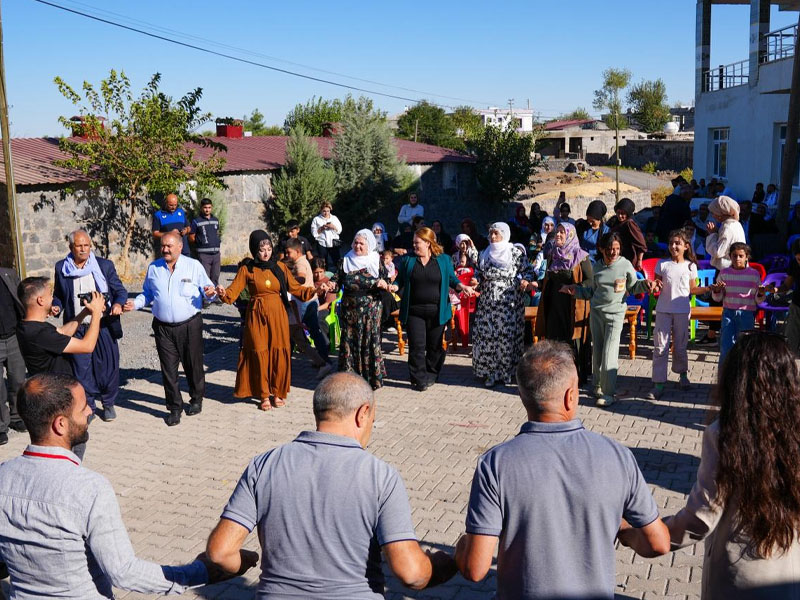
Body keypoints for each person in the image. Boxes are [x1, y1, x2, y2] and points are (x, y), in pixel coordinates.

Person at [0, 373, 257, 598]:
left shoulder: (3, 476)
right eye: (82, 409)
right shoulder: (88, 489)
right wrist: (200, 572)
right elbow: (123, 572)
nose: (91, 411)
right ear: (60, 424)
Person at [204, 372, 457, 598]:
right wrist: (444, 566)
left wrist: (245, 560)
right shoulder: (381, 476)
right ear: (363, 413)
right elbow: (411, 573)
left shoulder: (265, 465)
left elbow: (220, 552)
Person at [456, 341, 669, 599]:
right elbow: (659, 543)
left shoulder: (495, 464)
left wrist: (462, 548)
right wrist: (621, 530)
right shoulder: (617, 455)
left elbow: (475, 569)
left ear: (523, 396)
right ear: (571, 397)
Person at [662, 332, 800, 599]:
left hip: (738, 578)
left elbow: (700, 519)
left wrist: (653, 533)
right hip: (789, 578)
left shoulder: (725, 433)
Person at [215, 231, 318, 410]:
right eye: (262, 250)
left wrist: (318, 290)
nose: (266, 253)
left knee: (278, 351)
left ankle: (277, 392)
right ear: (255, 250)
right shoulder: (247, 269)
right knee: (260, 352)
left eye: (269, 249)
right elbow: (232, 293)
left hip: (278, 315)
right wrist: (223, 293)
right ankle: (263, 394)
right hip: (257, 316)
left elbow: (297, 289)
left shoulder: (280, 267)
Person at [123, 231, 216, 426]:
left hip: (190, 324)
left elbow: (209, 291)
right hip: (163, 327)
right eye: (162, 246)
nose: (164, 249)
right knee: (168, 370)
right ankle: (174, 407)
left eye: (169, 246)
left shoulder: (193, 266)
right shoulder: (154, 268)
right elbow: (147, 293)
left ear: (180, 247)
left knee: (193, 365)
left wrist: (210, 293)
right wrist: (136, 304)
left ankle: (196, 398)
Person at [561, 232, 656, 406]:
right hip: (596, 313)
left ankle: (608, 393)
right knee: (597, 351)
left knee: (609, 353)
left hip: (616, 314)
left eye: (617, 249)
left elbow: (634, 286)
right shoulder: (596, 267)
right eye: (610, 249)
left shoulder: (625, 265)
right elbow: (590, 292)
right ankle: (597, 385)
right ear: (602, 249)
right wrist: (574, 290)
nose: (613, 252)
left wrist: (648, 285)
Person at [53, 229, 127, 422]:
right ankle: (90, 406)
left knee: (108, 367)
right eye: (79, 246)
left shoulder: (103, 266)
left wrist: (118, 304)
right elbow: (60, 295)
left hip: (102, 326)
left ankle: (109, 403)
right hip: (77, 327)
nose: (83, 249)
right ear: (71, 247)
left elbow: (119, 290)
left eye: (86, 245)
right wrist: (56, 306)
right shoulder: (62, 268)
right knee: (81, 369)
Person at [394, 227, 475, 391]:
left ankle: (432, 372)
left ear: (428, 243)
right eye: (413, 243)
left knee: (435, 346)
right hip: (414, 311)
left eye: (417, 243)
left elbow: (452, 279)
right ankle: (419, 378)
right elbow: (399, 280)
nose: (414, 246)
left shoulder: (443, 260)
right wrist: (394, 287)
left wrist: (462, 287)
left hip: (437, 311)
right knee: (417, 346)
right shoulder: (408, 260)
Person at [472, 222, 535, 387]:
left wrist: (525, 281)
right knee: (489, 336)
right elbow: (478, 273)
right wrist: (475, 280)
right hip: (488, 303)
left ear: (505, 235)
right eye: (491, 233)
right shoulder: (484, 253)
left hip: (508, 303)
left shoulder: (515, 253)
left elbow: (528, 271)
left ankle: (507, 372)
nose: (492, 237)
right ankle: (490, 372)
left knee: (506, 337)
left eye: (496, 234)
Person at [649, 229, 710, 400]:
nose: (674, 246)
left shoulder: (691, 266)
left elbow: (692, 289)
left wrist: (708, 289)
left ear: (686, 246)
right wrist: (654, 286)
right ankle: (659, 383)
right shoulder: (662, 264)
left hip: (682, 311)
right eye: (671, 243)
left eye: (678, 243)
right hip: (663, 310)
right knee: (660, 346)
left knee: (681, 346)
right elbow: (657, 284)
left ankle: (682, 374)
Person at [333, 230, 392, 389]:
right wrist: (330, 285)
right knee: (350, 342)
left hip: (370, 310)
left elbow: (386, 280)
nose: (357, 246)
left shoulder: (375, 260)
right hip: (349, 310)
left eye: (361, 243)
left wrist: (383, 284)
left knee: (368, 341)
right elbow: (336, 282)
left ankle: (371, 379)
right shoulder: (345, 260)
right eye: (355, 242)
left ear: (369, 245)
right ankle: (350, 379)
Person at [534, 223, 593, 380]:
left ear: (570, 235)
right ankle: (555, 374)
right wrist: (536, 284)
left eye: (562, 232)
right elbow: (548, 279)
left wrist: (574, 287)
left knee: (571, 340)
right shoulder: (553, 254)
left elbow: (591, 281)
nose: (558, 234)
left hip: (572, 306)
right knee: (554, 338)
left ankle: (574, 376)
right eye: (557, 232)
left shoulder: (581, 255)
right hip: (554, 305)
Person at [698, 196, 746, 346]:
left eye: (715, 213)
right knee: (722, 302)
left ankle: (716, 336)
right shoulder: (736, 225)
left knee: (718, 301)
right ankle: (714, 334)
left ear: (721, 213)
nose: (713, 216)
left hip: (726, 271)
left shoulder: (727, 227)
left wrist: (712, 234)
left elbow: (718, 251)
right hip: (735, 270)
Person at [711, 242, 768, 363]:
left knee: (746, 348)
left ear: (746, 256)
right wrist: (716, 291)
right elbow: (717, 298)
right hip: (728, 313)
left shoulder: (753, 274)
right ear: (730, 256)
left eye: (741, 256)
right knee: (726, 347)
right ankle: (724, 378)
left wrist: (761, 293)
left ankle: (744, 377)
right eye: (734, 255)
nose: (737, 259)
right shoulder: (724, 273)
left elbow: (758, 300)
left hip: (746, 314)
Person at [285, 237, 329, 364]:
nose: (288, 255)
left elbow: (302, 278)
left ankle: (324, 360)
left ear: (297, 251)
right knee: (301, 335)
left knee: (312, 333)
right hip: (308, 302)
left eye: (289, 252)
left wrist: (287, 282)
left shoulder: (300, 264)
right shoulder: (302, 261)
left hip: (306, 303)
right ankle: (321, 360)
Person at [0, 267, 26, 444]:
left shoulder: (8, 274)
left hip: (13, 337)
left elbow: (23, 299)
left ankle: (17, 416)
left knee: (18, 380)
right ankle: (1, 426)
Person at [189, 198, 222, 290]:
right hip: (204, 254)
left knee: (215, 275)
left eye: (209, 207)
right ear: (201, 208)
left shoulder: (215, 220)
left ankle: (214, 296)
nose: (207, 210)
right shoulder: (196, 221)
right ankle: (206, 298)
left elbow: (217, 233)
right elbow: (191, 237)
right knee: (205, 276)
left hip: (216, 254)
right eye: (205, 207)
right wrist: (201, 242)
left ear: (212, 208)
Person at [776, 238, 800, 355]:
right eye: (799, 258)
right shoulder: (794, 263)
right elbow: (787, 285)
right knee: (790, 345)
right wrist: (776, 290)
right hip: (797, 305)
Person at [610, 198, 647, 270]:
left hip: (628, 259)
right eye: (618, 213)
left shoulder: (629, 224)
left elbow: (642, 244)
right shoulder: (615, 221)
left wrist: (639, 260)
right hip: (616, 257)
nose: (620, 216)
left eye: (623, 213)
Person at [310, 201, 342, 270]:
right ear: (321, 210)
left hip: (333, 243)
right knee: (323, 262)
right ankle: (324, 276)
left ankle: (340, 276)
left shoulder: (334, 218)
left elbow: (339, 230)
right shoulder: (316, 219)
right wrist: (322, 228)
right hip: (322, 243)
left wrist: (333, 226)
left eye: (328, 211)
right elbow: (314, 233)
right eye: (324, 211)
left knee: (337, 261)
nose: (326, 213)